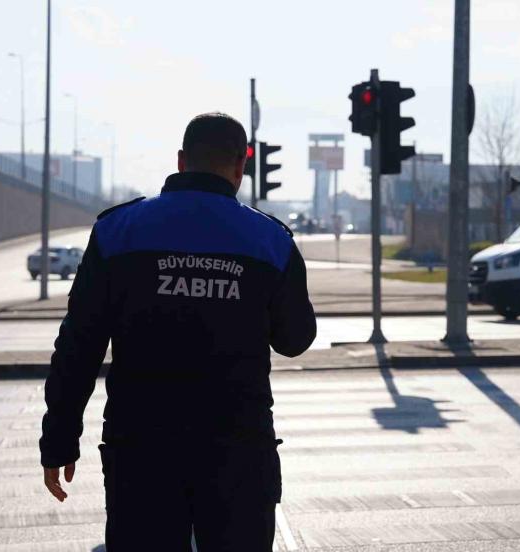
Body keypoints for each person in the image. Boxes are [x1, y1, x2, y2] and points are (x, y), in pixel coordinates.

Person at [39, 112, 316, 551]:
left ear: (182, 160)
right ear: (241, 165)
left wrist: (59, 440)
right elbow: (295, 339)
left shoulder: (118, 231)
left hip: (141, 450)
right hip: (238, 452)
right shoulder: (271, 240)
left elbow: (78, 346)